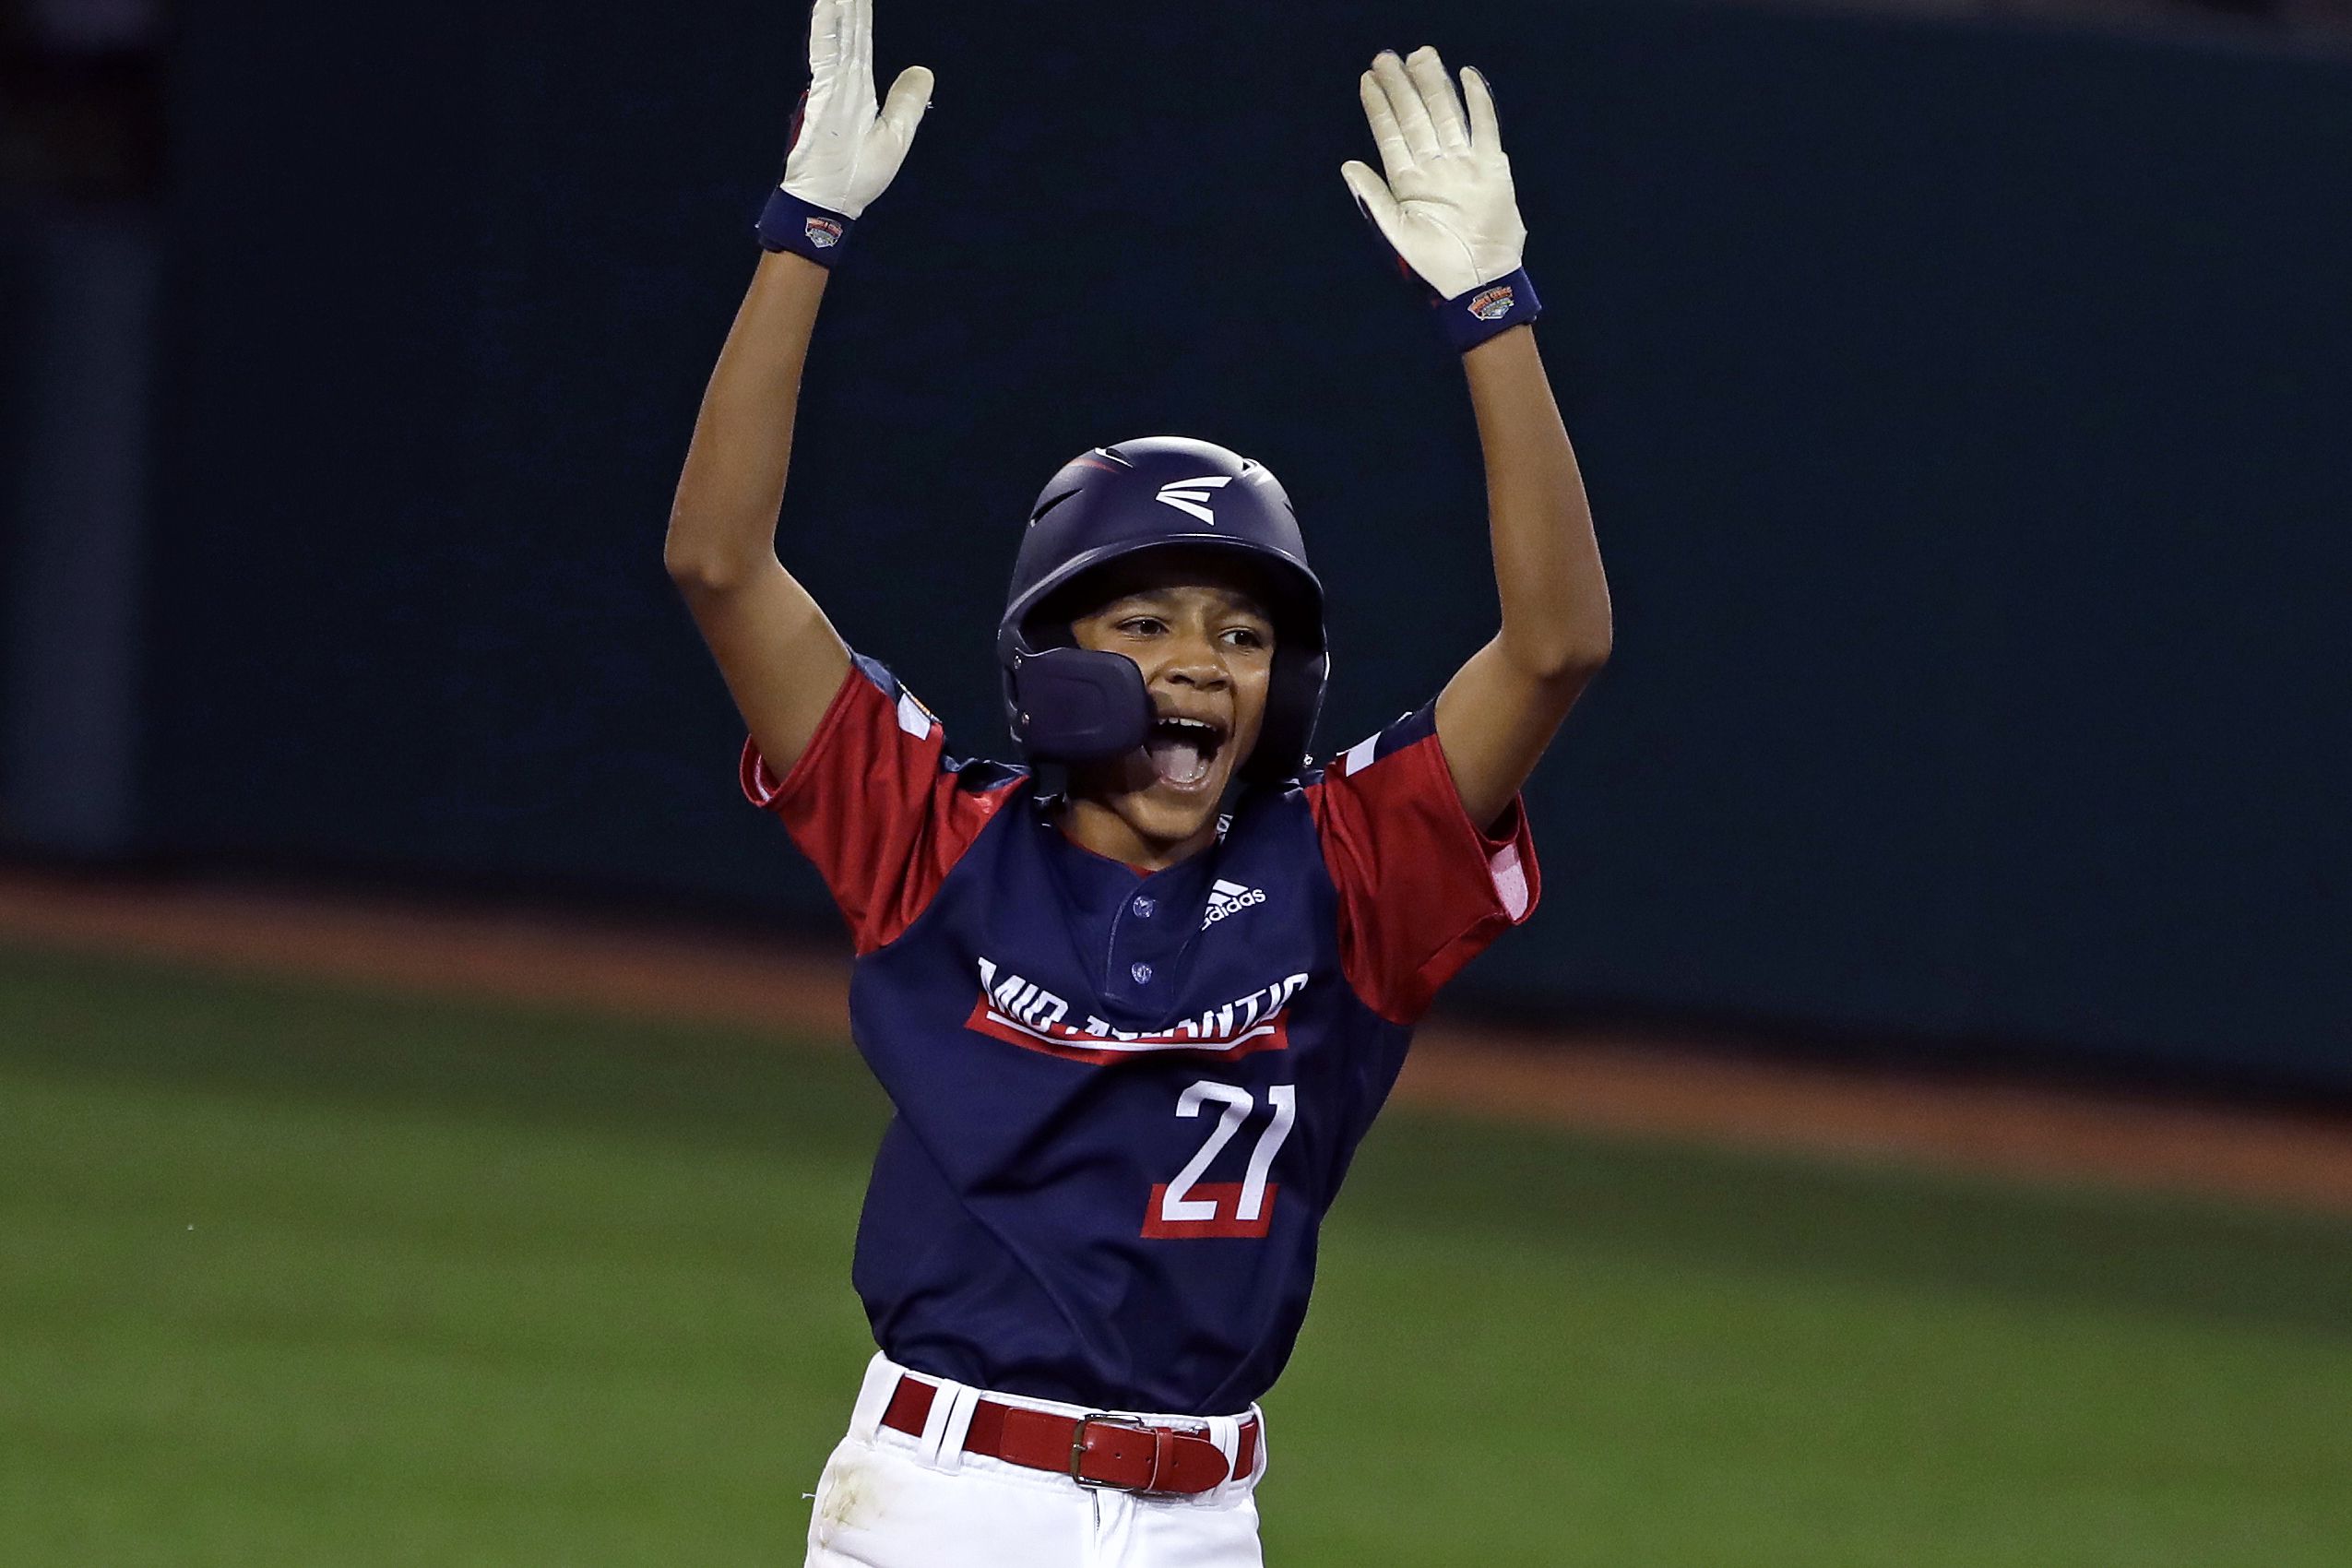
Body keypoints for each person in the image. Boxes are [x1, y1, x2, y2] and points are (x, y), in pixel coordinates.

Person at [663, 3, 1611, 1562]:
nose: (1197, 663)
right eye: (1147, 618)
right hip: (946, 1506)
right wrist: (802, 231)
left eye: (1243, 631)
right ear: (1054, 652)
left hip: (1205, 1520)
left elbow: (1557, 645)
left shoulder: (1353, 868)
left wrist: (1493, 314)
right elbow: (717, 561)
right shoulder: (931, 836)